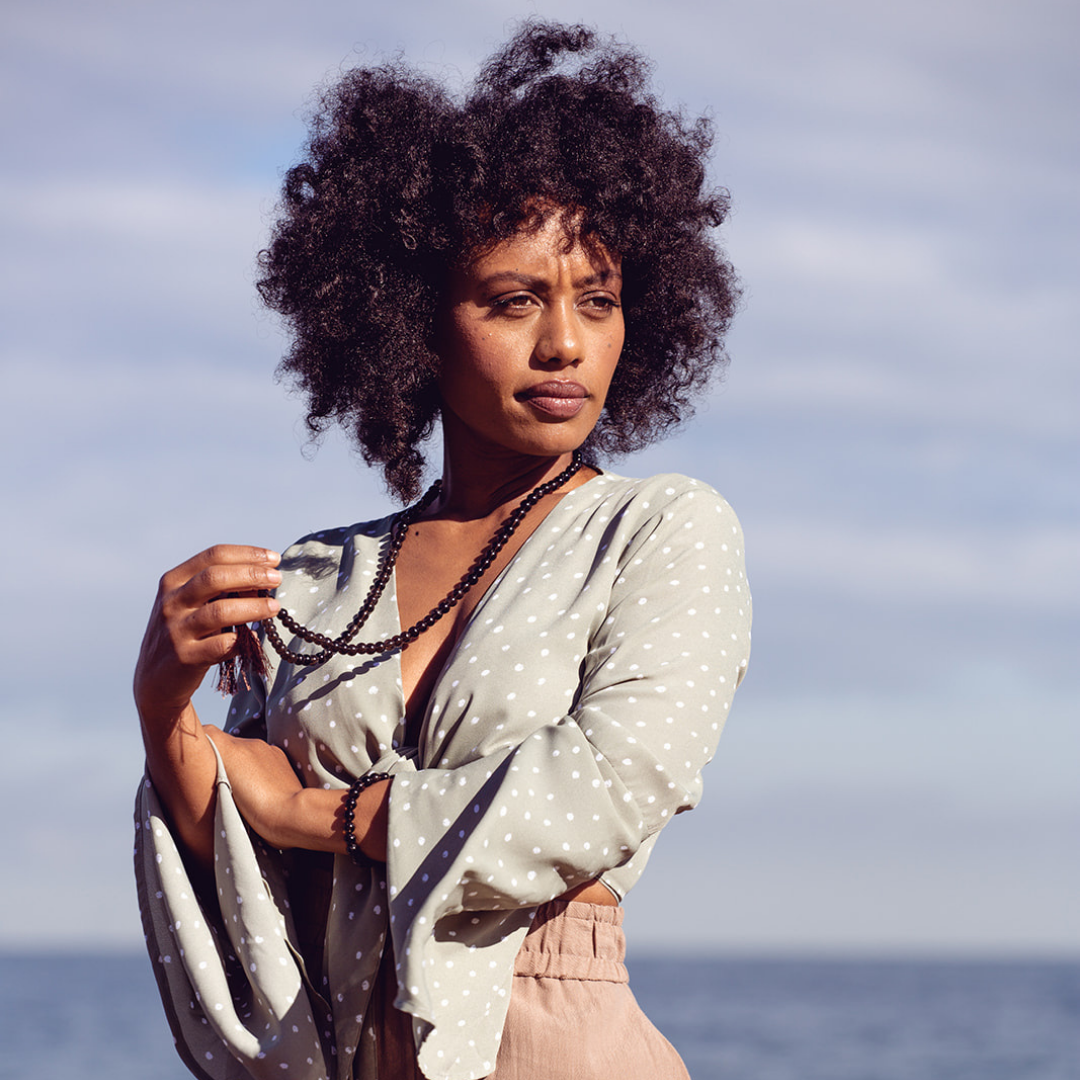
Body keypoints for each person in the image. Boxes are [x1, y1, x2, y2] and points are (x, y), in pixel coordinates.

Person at [133, 21, 750, 1080]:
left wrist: (315, 809)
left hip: (559, 1036)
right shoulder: (319, 579)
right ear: (412, 321)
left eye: (597, 302)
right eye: (516, 301)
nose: (564, 343)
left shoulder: (661, 531)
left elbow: (604, 788)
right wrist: (160, 704)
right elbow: (237, 854)